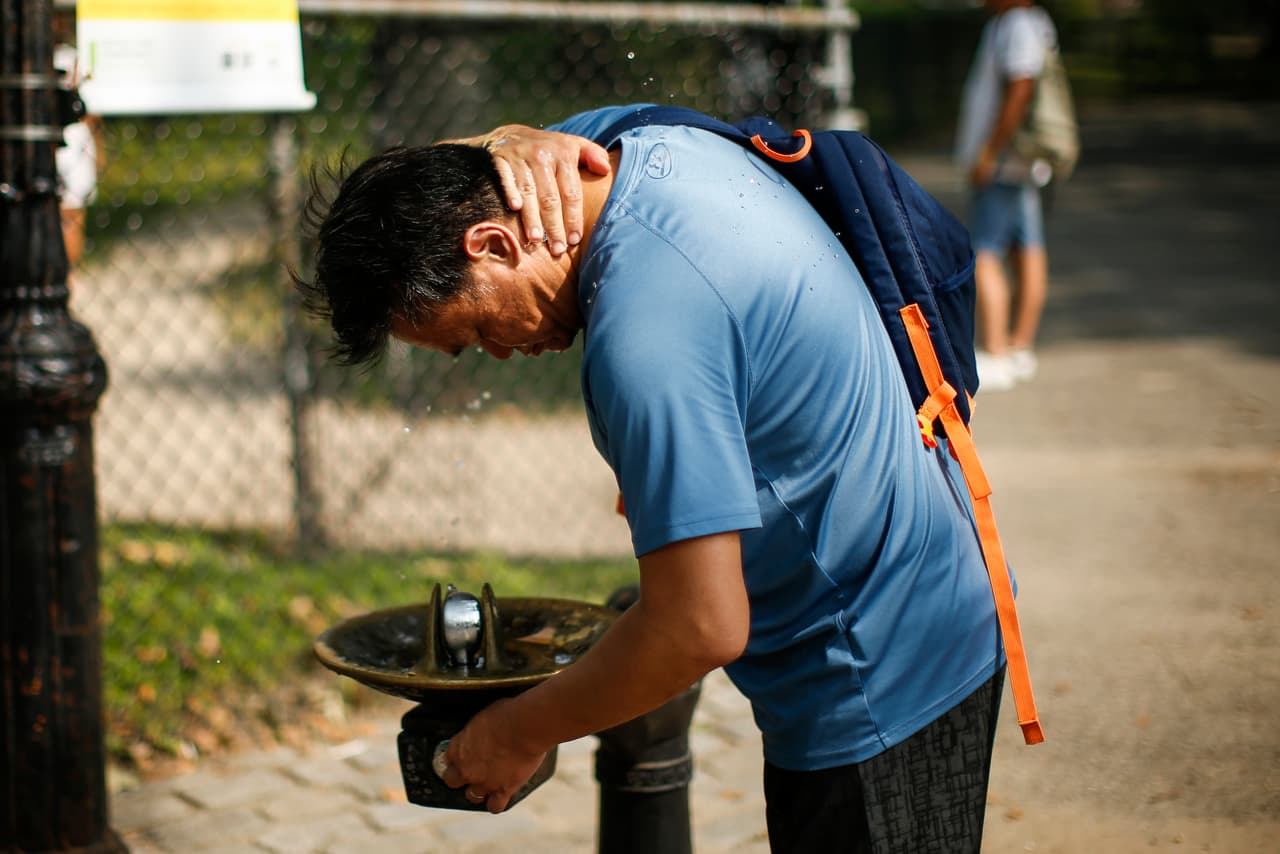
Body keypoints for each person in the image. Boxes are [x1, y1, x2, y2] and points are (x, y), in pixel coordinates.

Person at [299, 105, 1011, 852]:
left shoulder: (645, 339)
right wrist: (503, 137)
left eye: (474, 330)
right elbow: (452, 168)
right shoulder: (624, 149)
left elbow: (698, 626)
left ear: (495, 242)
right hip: (934, 596)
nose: (499, 354)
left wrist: (517, 732)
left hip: (874, 681)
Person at [955, 0, 1061, 391]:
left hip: (1007, 161)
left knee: (985, 252)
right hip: (1020, 161)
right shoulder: (1031, 22)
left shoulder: (1016, 23)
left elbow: (1020, 88)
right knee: (1026, 247)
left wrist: (988, 152)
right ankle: (1019, 347)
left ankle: (997, 350)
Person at [52, 10, 104, 271]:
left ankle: (67, 273)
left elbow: (91, 114)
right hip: (71, 145)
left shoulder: (76, 58)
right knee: (69, 215)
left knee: (71, 214)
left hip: (73, 144)